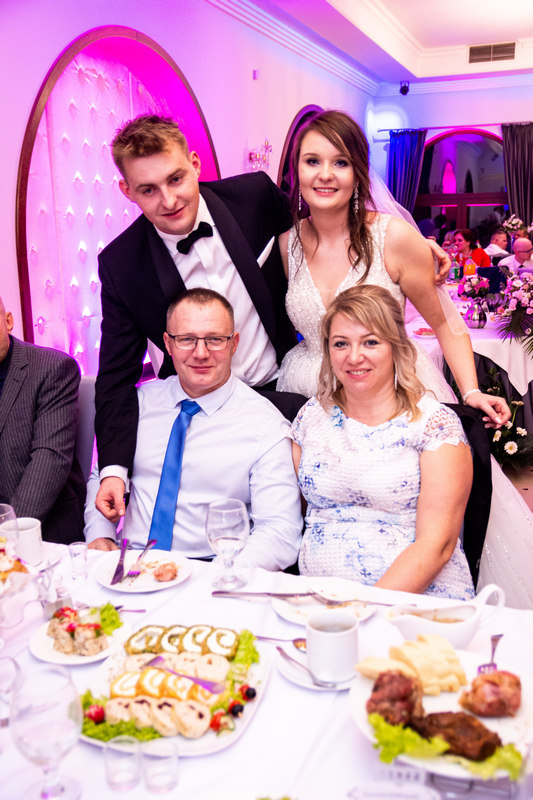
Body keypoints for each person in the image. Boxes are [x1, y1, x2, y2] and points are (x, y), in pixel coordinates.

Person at [95, 114, 307, 524]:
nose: (168, 200)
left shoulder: (254, 197)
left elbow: (323, 233)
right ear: (127, 191)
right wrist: (114, 469)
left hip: (284, 390)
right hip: (200, 418)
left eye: (175, 179)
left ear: (194, 164)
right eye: (148, 190)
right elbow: (115, 377)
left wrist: (400, 246)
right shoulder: (122, 264)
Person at [275, 110, 509, 429]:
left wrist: (471, 391)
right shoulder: (287, 244)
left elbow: (444, 323)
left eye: (340, 162)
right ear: (297, 170)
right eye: (312, 161)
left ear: (358, 173)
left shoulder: (394, 238)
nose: (325, 174)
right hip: (306, 391)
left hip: (390, 391)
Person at [85, 289, 302, 571]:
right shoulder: (134, 406)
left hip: (211, 568)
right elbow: (103, 475)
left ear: (234, 343)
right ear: (168, 343)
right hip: (129, 566)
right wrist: (100, 534)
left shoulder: (265, 425)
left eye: (215, 339)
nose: (201, 353)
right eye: (186, 339)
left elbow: (279, 532)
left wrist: (220, 574)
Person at [290, 285, 475, 600]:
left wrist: (362, 608)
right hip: (319, 602)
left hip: (413, 601)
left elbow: (438, 545)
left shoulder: (434, 425)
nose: (354, 357)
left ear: (396, 346)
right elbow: (302, 511)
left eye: (370, 342)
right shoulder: (311, 417)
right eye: (340, 343)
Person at [0, 296, 85, 543]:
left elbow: (49, 460)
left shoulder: (53, 368)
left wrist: (5, 540)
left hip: (42, 533)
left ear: (8, 322)